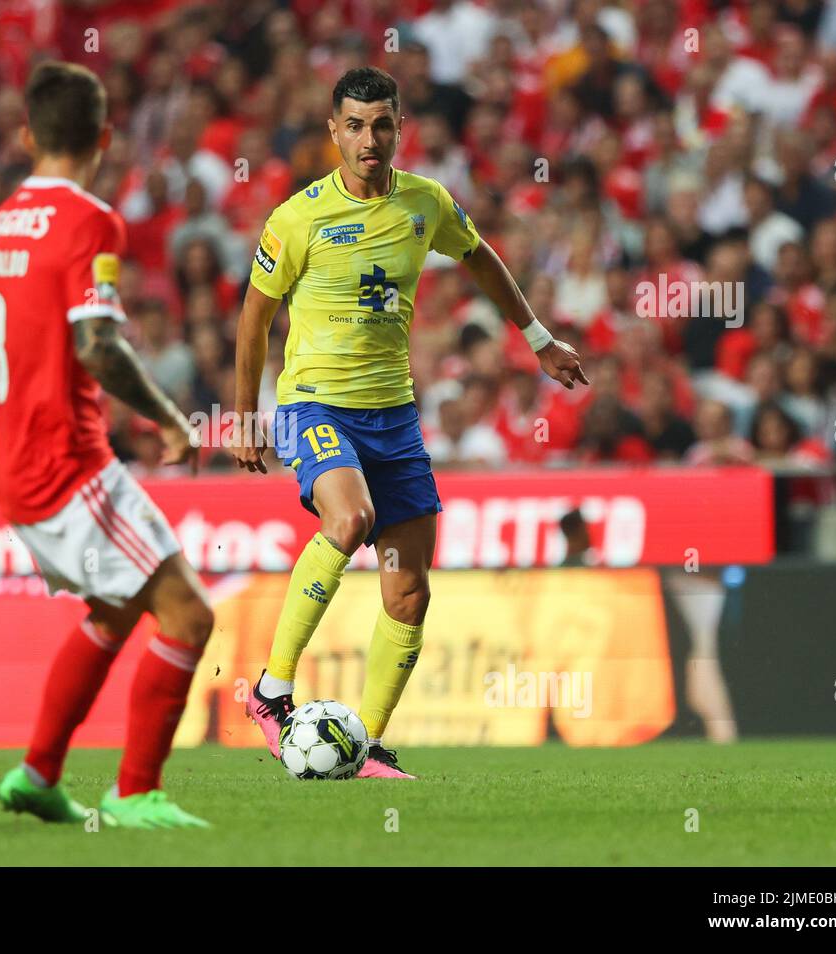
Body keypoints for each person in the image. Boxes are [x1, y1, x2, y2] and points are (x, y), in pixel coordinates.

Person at [229, 67, 588, 778]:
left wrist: (539, 337)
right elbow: (253, 321)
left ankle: (363, 743)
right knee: (349, 519)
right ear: (334, 131)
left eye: (383, 124)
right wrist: (244, 416)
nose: (370, 138)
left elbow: (481, 259)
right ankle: (271, 690)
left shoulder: (427, 204)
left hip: (393, 417)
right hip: (316, 404)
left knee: (409, 590)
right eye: (356, 125)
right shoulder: (297, 218)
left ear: (400, 129)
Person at [0, 62, 212, 829]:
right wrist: (169, 418)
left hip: (15, 469)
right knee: (190, 618)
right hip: (70, 463)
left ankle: (36, 774)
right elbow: (97, 344)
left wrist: (20, 396)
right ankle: (134, 795)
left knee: (115, 610)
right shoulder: (91, 220)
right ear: (103, 137)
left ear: (27, 135)